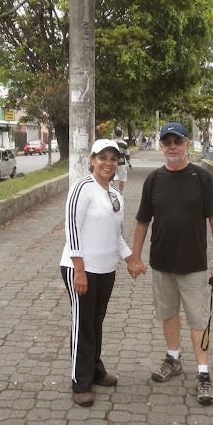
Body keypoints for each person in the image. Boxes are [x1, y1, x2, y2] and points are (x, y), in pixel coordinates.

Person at [128, 122, 213, 405]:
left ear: (187, 144)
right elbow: (142, 221)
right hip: (161, 262)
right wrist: (134, 256)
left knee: (198, 318)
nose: (172, 146)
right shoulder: (153, 180)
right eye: (167, 141)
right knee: (168, 313)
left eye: (178, 141)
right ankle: (173, 359)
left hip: (194, 264)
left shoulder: (201, 178)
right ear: (161, 146)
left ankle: (204, 373)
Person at [60, 139, 136, 407]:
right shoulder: (83, 188)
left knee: (96, 322)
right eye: (102, 157)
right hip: (81, 269)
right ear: (92, 159)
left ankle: (95, 370)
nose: (108, 163)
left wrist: (130, 259)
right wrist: (79, 271)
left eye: (113, 159)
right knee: (83, 324)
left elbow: (117, 235)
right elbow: (72, 230)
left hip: (106, 269)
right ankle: (80, 381)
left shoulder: (116, 194)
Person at [111, 129, 132, 193]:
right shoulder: (124, 144)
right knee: (122, 179)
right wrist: (129, 164)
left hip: (112, 163)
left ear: (115, 135)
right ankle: (119, 193)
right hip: (121, 164)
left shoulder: (111, 143)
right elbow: (127, 155)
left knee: (111, 178)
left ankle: (111, 192)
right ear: (121, 135)